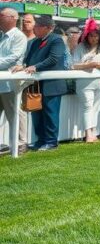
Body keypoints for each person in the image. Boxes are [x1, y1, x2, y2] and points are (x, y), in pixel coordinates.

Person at [20, 16, 69, 151]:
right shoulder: (35, 42)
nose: (34, 29)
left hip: (51, 85)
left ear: (47, 28)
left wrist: (36, 67)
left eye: (37, 26)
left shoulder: (56, 40)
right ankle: (40, 140)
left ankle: (51, 142)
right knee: (36, 114)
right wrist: (23, 66)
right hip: (36, 84)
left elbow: (54, 58)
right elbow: (29, 60)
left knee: (50, 113)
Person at [71, 19, 100, 143]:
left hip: (99, 81)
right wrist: (88, 65)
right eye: (91, 36)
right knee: (88, 106)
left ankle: (93, 131)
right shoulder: (80, 47)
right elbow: (73, 65)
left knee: (96, 107)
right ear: (87, 36)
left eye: (96, 36)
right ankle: (88, 133)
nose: (94, 38)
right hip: (84, 82)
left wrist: (98, 65)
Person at [0, 7, 29, 154]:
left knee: (15, 114)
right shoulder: (1, 35)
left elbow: (13, 58)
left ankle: (21, 143)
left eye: (1, 15)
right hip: (1, 82)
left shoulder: (18, 36)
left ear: (12, 18)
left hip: (10, 83)